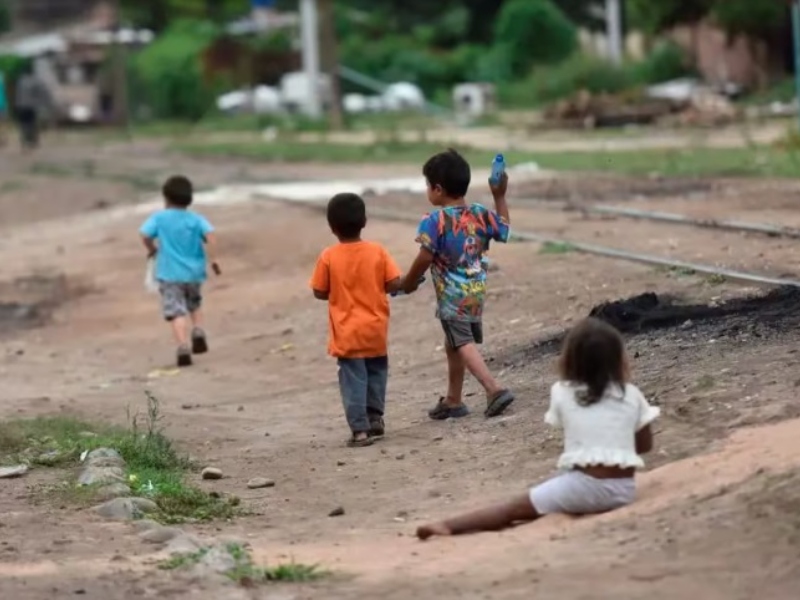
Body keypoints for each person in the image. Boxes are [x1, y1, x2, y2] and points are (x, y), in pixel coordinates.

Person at [416, 318, 660, 540]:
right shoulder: (632, 394)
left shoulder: (563, 392)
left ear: (570, 360)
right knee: (562, 484)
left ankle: (448, 525)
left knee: (511, 509)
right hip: (623, 490)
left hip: (582, 488)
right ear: (619, 359)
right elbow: (644, 446)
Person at [400, 149, 514, 420]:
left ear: (438, 189)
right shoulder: (480, 214)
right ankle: (453, 400)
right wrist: (499, 196)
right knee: (453, 343)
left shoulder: (434, 222)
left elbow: (425, 257)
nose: (427, 190)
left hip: (452, 299)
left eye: (428, 185)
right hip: (475, 294)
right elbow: (505, 231)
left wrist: (408, 281)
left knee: (461, 342)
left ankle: (494, 390)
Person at [310, 193, 405, 447]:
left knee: (353, 379)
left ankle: (360, 430)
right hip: (375, 329)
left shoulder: (328, 256)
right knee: (377, 374)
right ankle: (375, 418)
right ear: (364, 221)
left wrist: (337, 290)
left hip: (347, 332)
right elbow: (394, 282)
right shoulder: (377, 251)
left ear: (332, 227)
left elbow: (319, 291)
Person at [140, 176, 221, 367]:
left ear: (166, 198)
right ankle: (198, 330)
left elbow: (144, 234)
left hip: (169, 274)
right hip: (194, 273)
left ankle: (183, 346)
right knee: (194, 303)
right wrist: (214, 259)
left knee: (176, 311)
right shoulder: (196, 219)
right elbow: (210, 236)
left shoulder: (159, 218)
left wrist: (151, 248)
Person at [14, 65, 52, 151]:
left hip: (21, 105)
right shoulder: (36, 81)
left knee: (23, 124)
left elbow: (18, 94)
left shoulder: (20, 81)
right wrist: (45, 103)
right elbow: (43, 92)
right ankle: (32, 141)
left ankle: (24, 140)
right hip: (31, 106)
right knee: (32, 123)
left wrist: (16, 105)